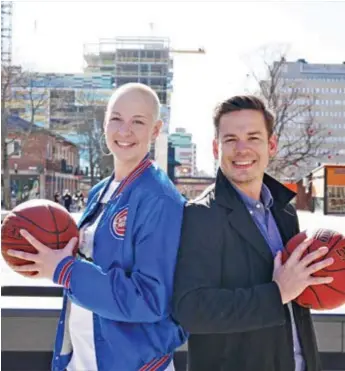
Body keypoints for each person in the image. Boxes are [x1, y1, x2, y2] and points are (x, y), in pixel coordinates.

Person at [7, 83, 187, 371]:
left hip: (134, 365)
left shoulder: (160, 199)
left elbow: (150, 299)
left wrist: (65, 270)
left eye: (137, 122)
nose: (124, 131)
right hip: (82, 359)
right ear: (105, 123)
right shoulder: (100, 191)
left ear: (155, 131)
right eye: (116, 118)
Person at [172, 95, 334, 371]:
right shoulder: (199, 215)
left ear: (271, 145)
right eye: (231, 139)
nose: (242, 149)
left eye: (253, 137)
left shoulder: (285, 213)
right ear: (216, 148)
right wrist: (276, 293)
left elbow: (295, 302)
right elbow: (190, 309)